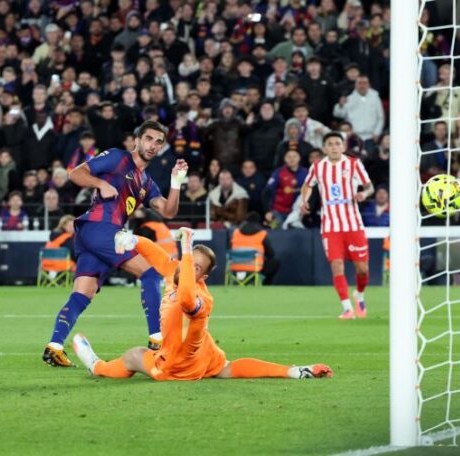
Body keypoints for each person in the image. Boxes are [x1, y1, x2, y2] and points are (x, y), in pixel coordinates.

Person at [72, 228, 332, 381]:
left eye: (196, 267)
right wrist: (132, 239)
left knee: (133, 356)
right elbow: (156, 253)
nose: (188, 266)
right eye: (189, 260)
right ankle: (294, 372)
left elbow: (185, 297)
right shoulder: (175, 270)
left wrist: (187, 252)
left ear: (202, 277)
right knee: (228, 367)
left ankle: (96, 366)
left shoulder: (201, 298)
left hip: (177, 366)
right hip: (203, 355)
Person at [42, 120, 188, 367]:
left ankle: (54, 347)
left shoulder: (146, 182)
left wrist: (176, 182)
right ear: (137, 140)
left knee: (83, 293)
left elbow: (168, 211)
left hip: (94, 235)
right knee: (151, 274)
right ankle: (157, 339)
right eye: (148, 139)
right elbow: (75, 173)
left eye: (158, 142)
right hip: (100, 228)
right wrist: (101, 184)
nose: (152, 145)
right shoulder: (118, 157)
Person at [300, 131, 373, 319]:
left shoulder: (354, 164)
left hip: (353, 225)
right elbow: (307, 185)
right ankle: (347, 308)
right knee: (336, 264)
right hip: (330, 226)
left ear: (343, 146)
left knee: (362, 269)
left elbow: (369, 186)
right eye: (330, 144)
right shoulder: (318, 166)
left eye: (337, 143)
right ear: (324, 148)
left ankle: (359, 295)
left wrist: (363, 194)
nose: (334, 147)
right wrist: (305, 200)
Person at [231, 212, 281, 285]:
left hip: (235, 267)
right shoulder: (261, 234)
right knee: (275, 262)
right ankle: (266, 286)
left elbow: (231, 249)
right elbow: (271, 254)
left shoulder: (235, 233)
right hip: (254, 268)